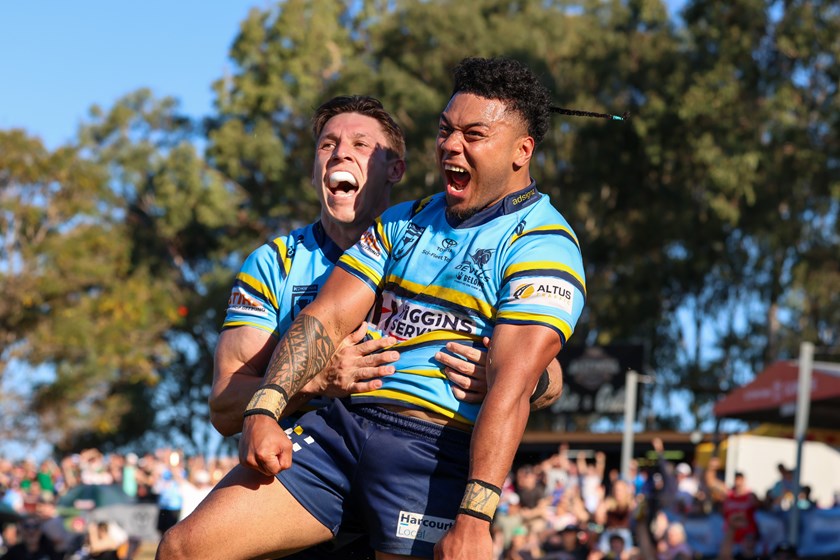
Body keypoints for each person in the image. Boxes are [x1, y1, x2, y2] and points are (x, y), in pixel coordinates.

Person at [158, 56, 584, 559]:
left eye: (473, 134)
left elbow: (514, 386)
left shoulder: (544, 245)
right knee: (182, 548)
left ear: (522, 150)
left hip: (430, 451)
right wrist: (266, 407)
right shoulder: (400, 222)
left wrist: (475, 517)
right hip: (339, 432)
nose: (451, 145)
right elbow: (326, 315)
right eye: (445, 130)